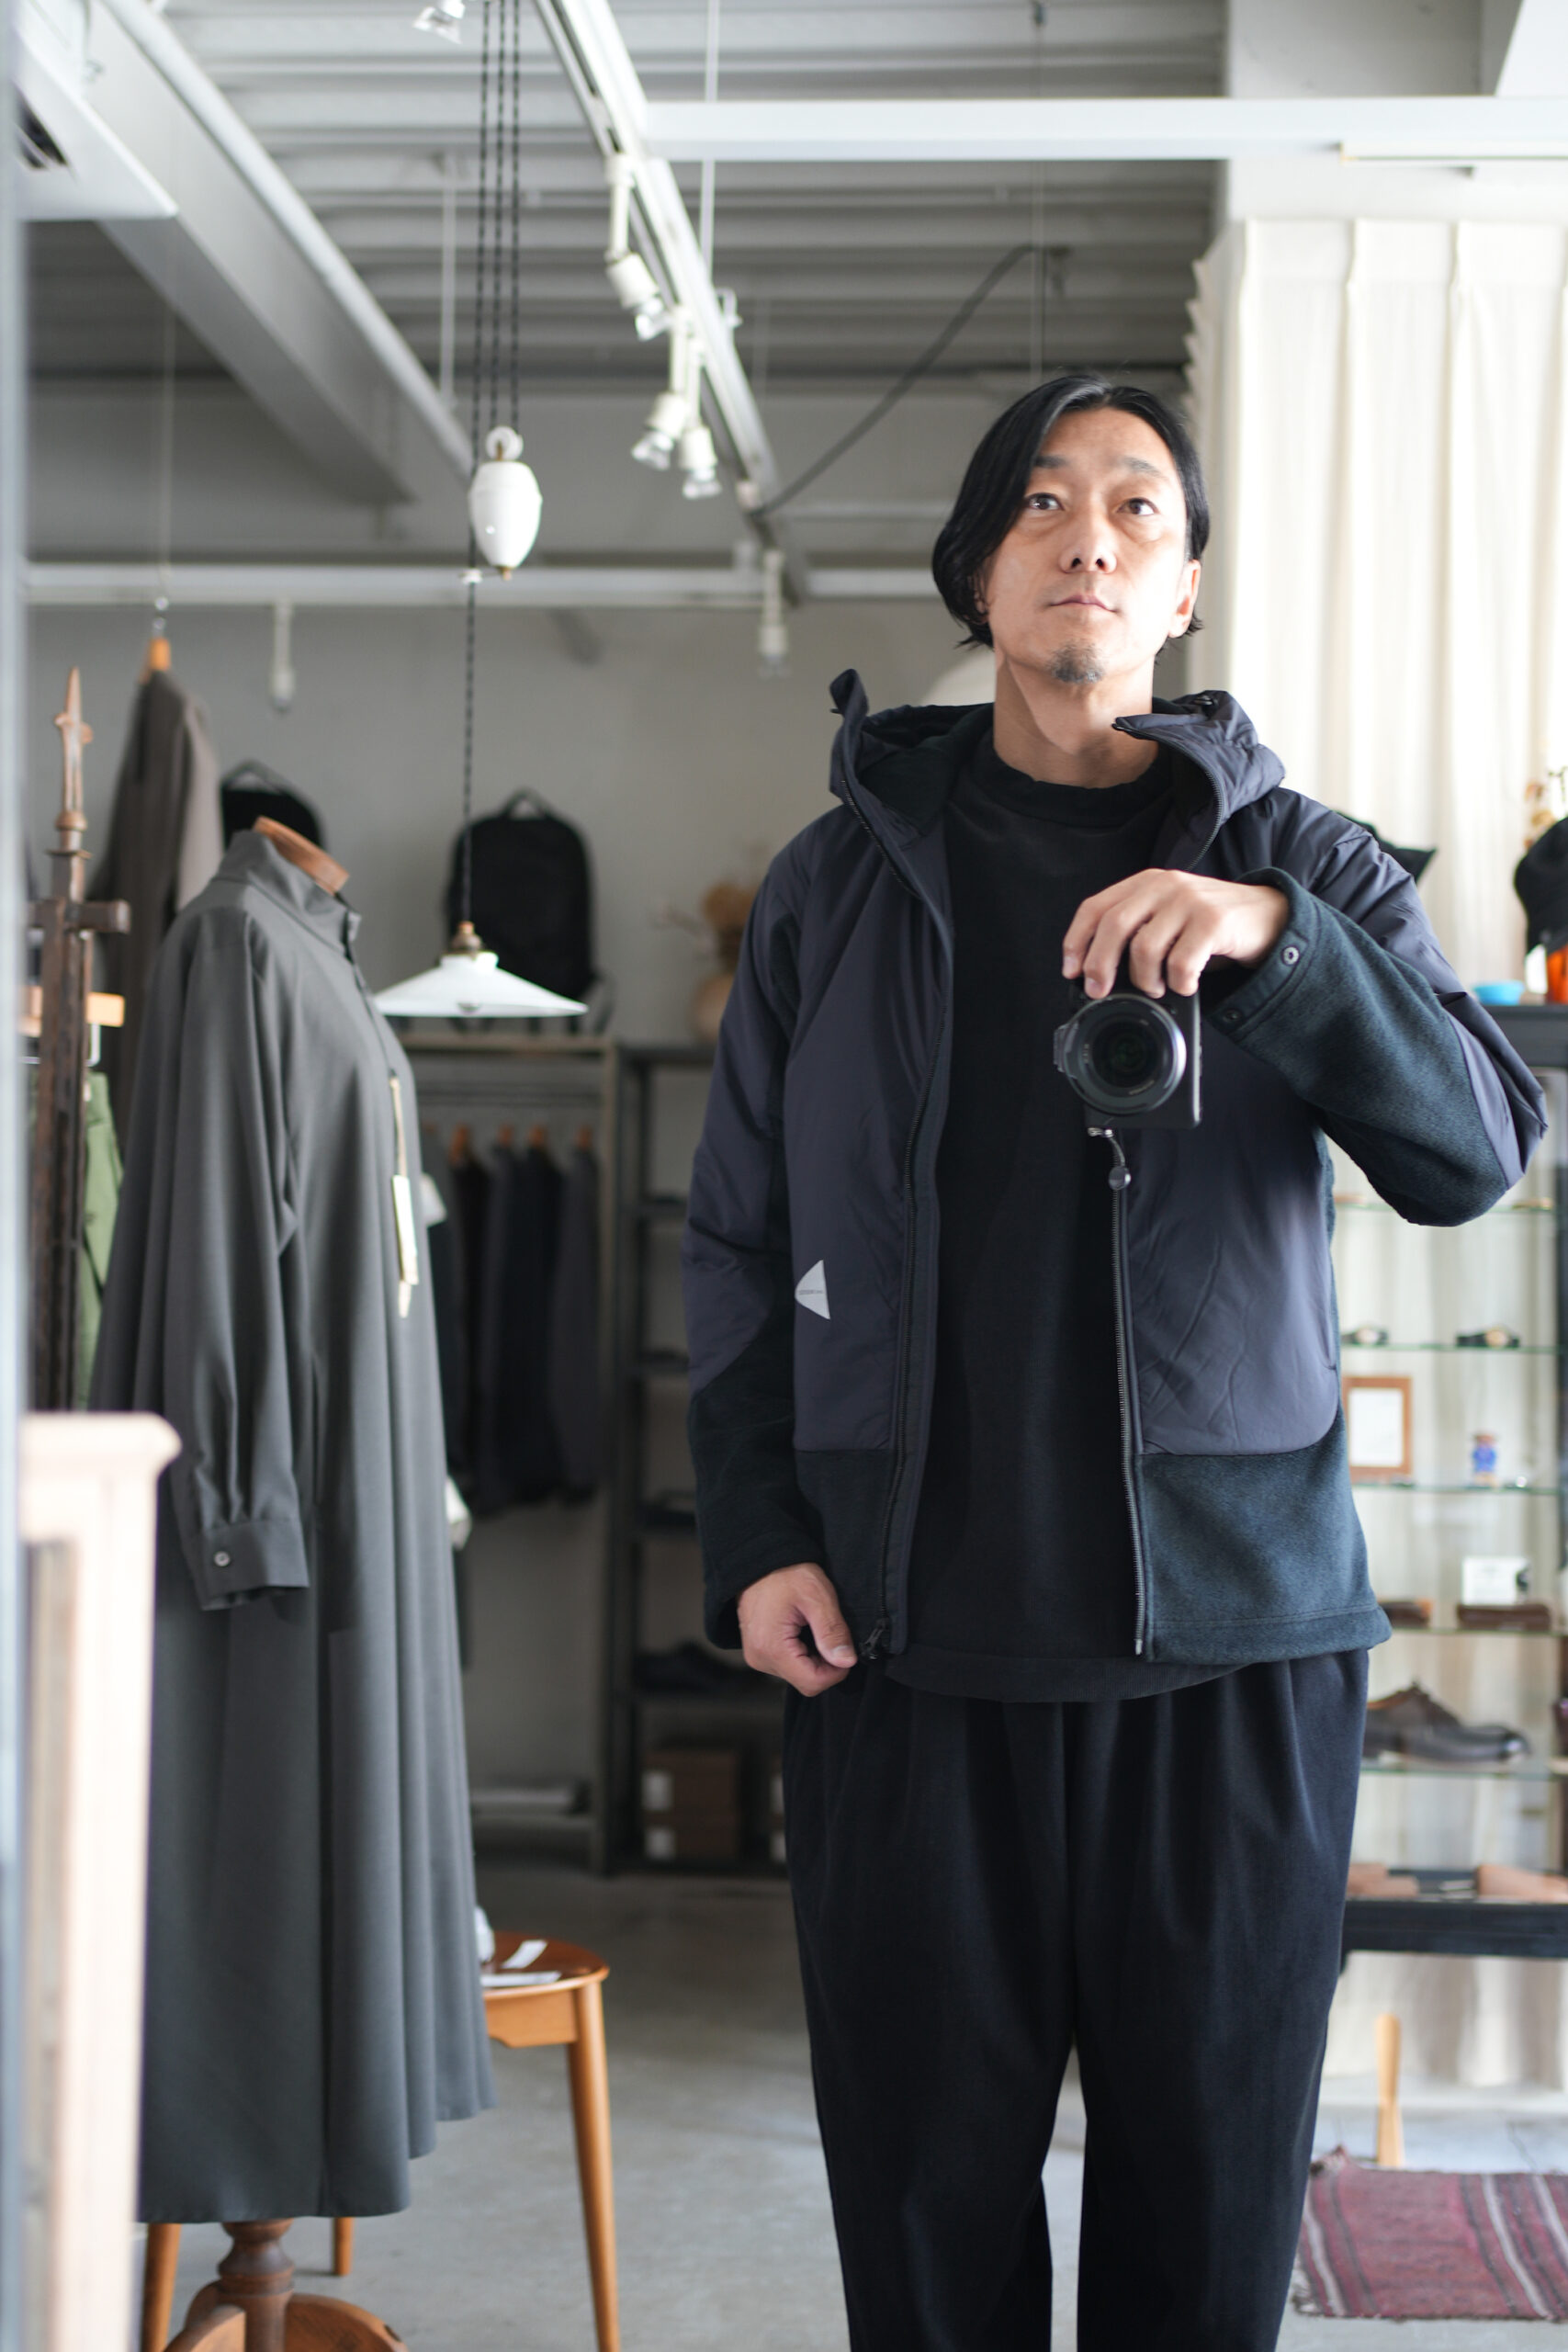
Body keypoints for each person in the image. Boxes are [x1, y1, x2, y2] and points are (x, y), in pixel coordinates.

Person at [682, 374, 1545, 2349]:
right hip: (898, 1649)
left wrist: (1269, 938)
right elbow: (732, 1236)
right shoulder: (833, 883)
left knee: (1207, 2240)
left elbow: (1476, 1148)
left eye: (1138, 507)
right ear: (978, 573)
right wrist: (755, 1529)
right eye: (1043, 503)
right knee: (924, 2247)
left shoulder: (1305, 862)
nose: (1090, 535)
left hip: (1232, 1663)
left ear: (1183, 587)